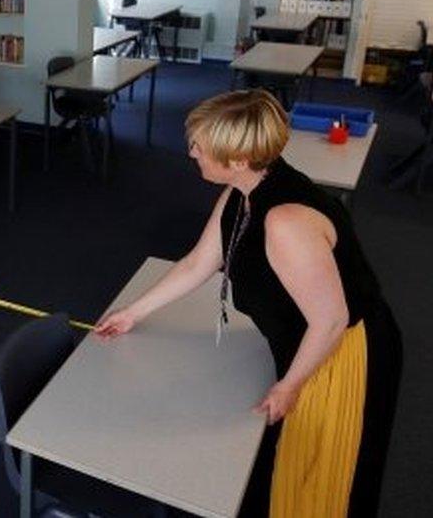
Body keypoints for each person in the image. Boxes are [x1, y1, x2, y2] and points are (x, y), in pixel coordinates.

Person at [95, 90, 402, 517]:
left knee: (323, 469)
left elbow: (332, 321)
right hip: (306, 335)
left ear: (238, 159)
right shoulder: (243, 191)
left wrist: (290, 386)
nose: (192, 152)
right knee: (284, 461)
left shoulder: (285, 222)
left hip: (345, 351)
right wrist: (132, 313)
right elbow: (197, 264)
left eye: (201, 145)